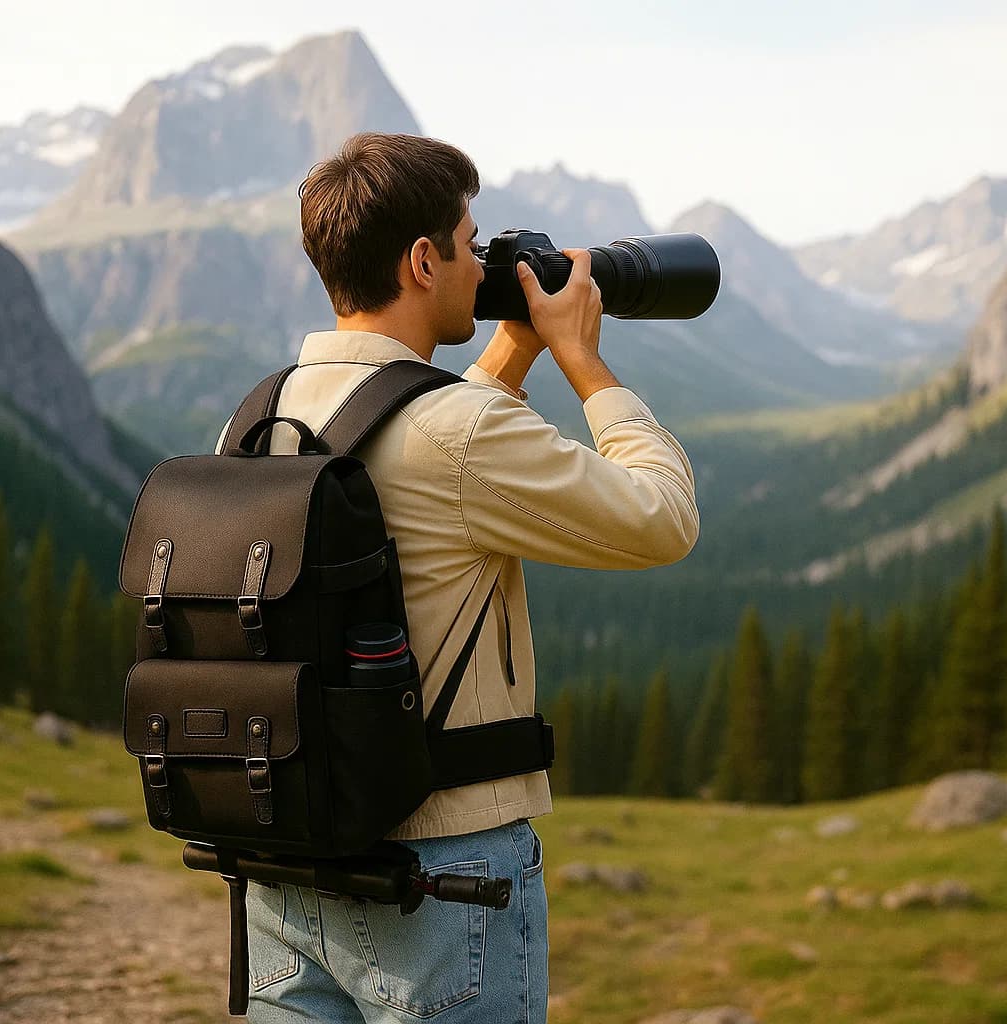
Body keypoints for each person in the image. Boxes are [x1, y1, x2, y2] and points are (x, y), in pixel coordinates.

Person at [233, 132, 699, 1024]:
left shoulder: (260, 413)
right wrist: (583, 361)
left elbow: (413, 430)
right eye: (470, 241)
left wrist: (513, 349)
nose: (480, 262)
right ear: (421, 260)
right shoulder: (456, 435)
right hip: (446, 876)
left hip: (286, 860)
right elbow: (663, 519)